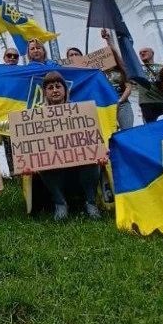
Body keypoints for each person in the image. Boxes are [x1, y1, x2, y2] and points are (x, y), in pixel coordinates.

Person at [36, 72, 103, 220]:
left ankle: (90, 202)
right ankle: (60, 204)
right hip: (54, 166)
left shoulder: (81, 111)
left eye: (58, 86)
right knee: (43, 160)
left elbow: (93, 138)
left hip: (81, 165)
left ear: (65, 90)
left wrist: (101, 151)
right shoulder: (37, 115)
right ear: (45, 93)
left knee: (92, 156)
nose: (55, 90)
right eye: (50, 87)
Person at [100, 29, 134, 130]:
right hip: (107, 106)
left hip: (122, 104)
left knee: (127, 131)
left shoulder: (121, 70)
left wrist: (108, 40)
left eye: (110, 57)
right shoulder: (100, 74)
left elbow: (128, 87)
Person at [137, 47, 163, 122]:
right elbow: (123, 63)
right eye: (140, 53)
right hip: (147, 103)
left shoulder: (162, 68)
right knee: (152, 127)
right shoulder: (137, 69)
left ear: (152, 53)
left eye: (145, 51)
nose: (142, 53)